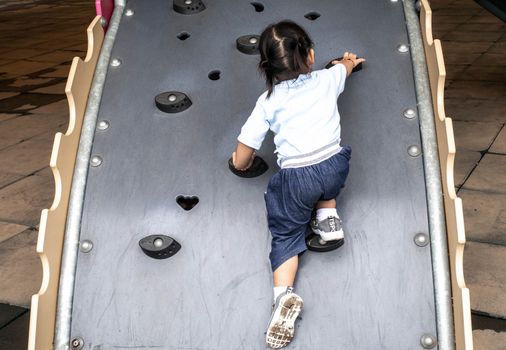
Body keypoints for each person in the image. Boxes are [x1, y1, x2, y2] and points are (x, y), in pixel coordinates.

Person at [231, 20, 365, 349]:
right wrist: (348, 62)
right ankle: (329, 220)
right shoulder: (326, 78)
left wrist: (242, 164)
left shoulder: (267, 102)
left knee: (287, 232)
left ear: (265, 67)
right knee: (325, 184)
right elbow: (344, 69)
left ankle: (282, 299)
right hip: (336, 165)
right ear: (311, 56)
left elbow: (242, 154)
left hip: (297, 179)